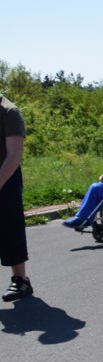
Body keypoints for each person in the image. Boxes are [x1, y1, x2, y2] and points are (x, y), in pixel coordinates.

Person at [0, 94, 33, 302]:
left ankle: (20, 279)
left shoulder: (9, 112)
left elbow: (14, 155)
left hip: (6, 176)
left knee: (9, 228)